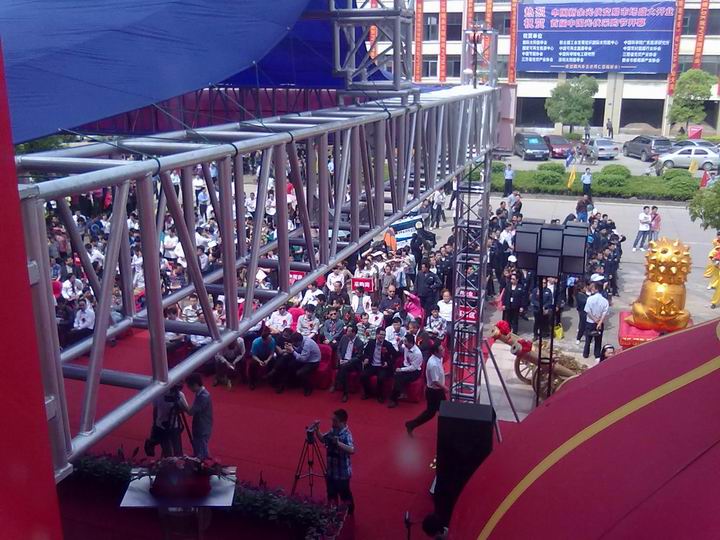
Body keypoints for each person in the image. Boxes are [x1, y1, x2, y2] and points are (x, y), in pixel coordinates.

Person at [313, 409, 355, 515]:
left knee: (345, 495)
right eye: (332, 420)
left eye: (335, 421)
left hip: (342, 474)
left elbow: (352, 450)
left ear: (343, 422)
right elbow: (323, 439)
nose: (333, 422)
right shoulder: (333, 431)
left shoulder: (346, 435)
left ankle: (349, 512)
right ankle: (333, 512)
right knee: (331, 495)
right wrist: (317, 430)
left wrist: (338, 444)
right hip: (331, 472)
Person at [405, 342, 447, 436]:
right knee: (431, 413)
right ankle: (411, 424)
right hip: (434, 392)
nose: (444, 351)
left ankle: (412, 424)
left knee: (441, 411)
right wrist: (444, 387)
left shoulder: (438, 359)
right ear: (436, 352)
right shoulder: (433, 364)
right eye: (441, 350)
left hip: (437, 391)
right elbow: (435, 381)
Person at [145, 384, 185, 458]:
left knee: (177, 450)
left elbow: (184, 409)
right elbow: (155, 409)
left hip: (173, 425)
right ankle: (169, 461)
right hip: (162, 425)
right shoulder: (158, 394)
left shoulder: (179, 395)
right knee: (167, 450)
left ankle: (177, 461)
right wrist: (155, 424)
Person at [179, 373, 213, 459]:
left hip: (202, 427)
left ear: (195, 384)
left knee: (202, 451)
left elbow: (190, 412)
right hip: (201, 425)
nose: (189, 389)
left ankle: (202, 462)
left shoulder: (203, 397)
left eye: (189, 386)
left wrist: (181, 402)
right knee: (199, 448)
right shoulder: (200, 394)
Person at [360, 328, 396, 402]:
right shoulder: (371, 343)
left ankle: (380, 395)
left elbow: (395, 356)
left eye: (384, 335)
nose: (382, 336)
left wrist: (388, 363)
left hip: (382, 366)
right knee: (363, 375)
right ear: (376, 335)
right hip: (372, 365)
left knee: (381, 378)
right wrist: (365, 358)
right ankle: (368, 392)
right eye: (381, 334)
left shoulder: (388, 344)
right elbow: (365, 353)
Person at [388, 334, 423, 408]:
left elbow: (413, 367)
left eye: (405, 341)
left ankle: (394, 399)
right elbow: (401, 350)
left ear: (411, 343)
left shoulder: (417, 353)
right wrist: (399, 345)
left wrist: (401, 370)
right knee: (395, 374)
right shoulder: (406, 347)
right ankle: (400, 393)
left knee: (399, 379)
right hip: (406, 366)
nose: (404, 343)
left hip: (415, 371)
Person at [334, 326, 365, 402]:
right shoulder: (344, 338)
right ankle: (343, 390)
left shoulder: (360, 343)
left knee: (343, 367)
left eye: (348, 331)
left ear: (353, 333)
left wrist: (348, 361)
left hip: (353, 363)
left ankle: (338, 385)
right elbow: (339, 349)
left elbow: (358, 357)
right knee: (343, 367)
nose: (346, 332)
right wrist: (340, 358)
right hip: (343, 360)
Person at [583, 282, 610, 361]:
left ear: (596, 289)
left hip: (590, 322)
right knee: (598, 340)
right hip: (600, 323)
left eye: (593, 288)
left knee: (588, 339)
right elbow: (605, 313)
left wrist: (594, 320)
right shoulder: (605, 301)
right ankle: (597, 355)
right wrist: (599, 322)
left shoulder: (590, 299)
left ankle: (586, 354)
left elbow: (588, 311)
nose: (592, 289)